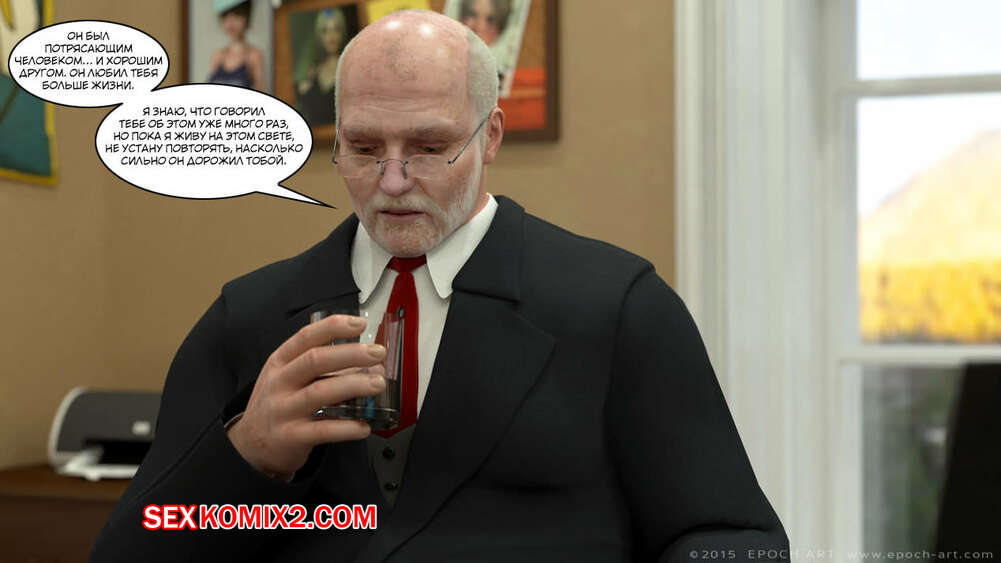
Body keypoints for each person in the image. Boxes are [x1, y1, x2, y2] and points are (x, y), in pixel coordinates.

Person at [90, 10, 789, 562]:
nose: (393, 182)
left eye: (429, 147)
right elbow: (129, 550)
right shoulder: (246, 317)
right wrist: (245, 456)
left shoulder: (620, 307)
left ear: (490, 136)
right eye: (364, 148)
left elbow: (735, 536)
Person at [295, 9, 348, 126]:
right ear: (319, 35)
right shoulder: (312, 72)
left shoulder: (349, 67)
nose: (331, 36)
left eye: (336, 29)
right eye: (325, 31)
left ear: (342, 32)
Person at [206, 0, 265, 90]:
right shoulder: (217, 56)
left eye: (237, 15)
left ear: (246, 17)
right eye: (225, 16)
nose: (230, 22)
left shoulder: (254, 55)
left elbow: (261, 92)